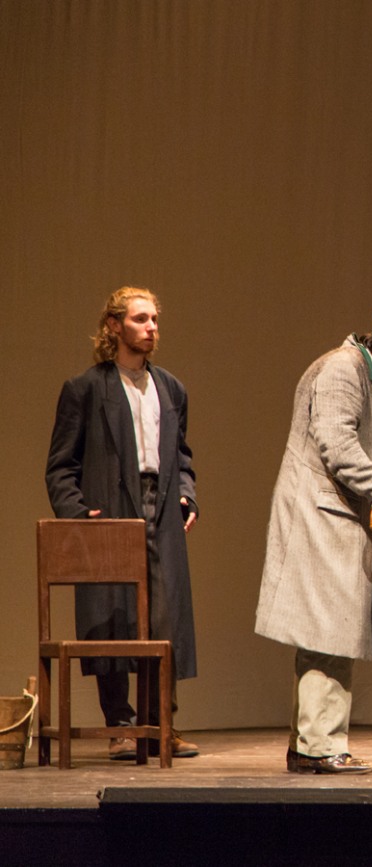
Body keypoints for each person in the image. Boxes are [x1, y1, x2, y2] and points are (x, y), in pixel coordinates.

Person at [255, 309, 372, 774]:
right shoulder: (342, 370)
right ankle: (320, 746)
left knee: (331, 629)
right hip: (320, 512)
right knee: (327, 629)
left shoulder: (368, 378)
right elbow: (337, 446)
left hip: (337, 514)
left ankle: (311, 744)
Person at [46, 286, 201, 760]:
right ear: (114, 326)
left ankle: (161, 725)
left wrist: (188, 492)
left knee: (163, 617)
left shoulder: (171, 388)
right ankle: (122, 727)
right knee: (114, 617)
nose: (151, 327)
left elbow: (183, 456)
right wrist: (77, 515)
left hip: (161, 509)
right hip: (113, 505)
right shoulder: (86, 388)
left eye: (154, 319)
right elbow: (60, 465)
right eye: (140, 319)